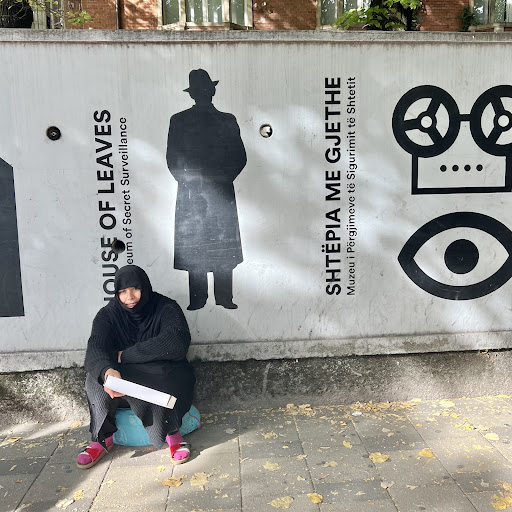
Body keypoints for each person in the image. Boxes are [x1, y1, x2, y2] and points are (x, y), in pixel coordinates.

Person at [77, 265, 195, 469]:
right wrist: (107, 371)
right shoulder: (108, 314)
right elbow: (95, 348)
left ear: (145, 287)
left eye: (135, 289)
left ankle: (172, 432)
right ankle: (102, 438)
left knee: (164, 378)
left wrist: (126, 355)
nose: (129, 296)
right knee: (95, 380)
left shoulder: (166, 307)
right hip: (124, 374)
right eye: (122, 291)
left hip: (162, 369)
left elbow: (176, 341)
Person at [166, 69, 247, 311]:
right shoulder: (187, 120)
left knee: (203, 243)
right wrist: (219, 180)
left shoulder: (185, 120)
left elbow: (239, 157)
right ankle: (214, 298)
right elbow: (173, 158)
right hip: (207, 190)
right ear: (211, 91)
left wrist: (191, 183)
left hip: (196, 191)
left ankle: (204, 298)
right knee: (203, 243)